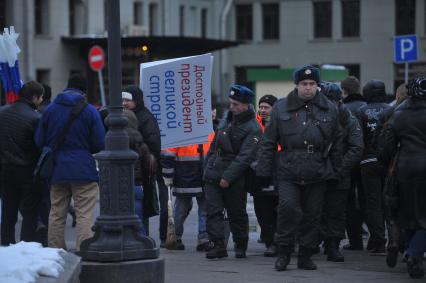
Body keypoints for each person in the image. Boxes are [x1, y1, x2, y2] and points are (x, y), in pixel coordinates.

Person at [257, 65, 342, 271]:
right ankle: (284, 253)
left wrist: (336, 169)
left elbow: (337, 140)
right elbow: (268, 142)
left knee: (313, 215)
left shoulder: (329, 108)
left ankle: (305, 255)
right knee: (287, 210)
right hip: (288, 168)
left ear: (317, 86)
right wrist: (263, 171)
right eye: (304, 84)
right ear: (296, 85)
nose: (308, 88)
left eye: (312, 84)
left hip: (317, 169)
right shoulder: (281, 107)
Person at [35, 74, 105, 251]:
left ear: (67, 87)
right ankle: (84, 250)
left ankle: (56, 251)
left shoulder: (50, 110)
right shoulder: (90, 111)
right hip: (83, 169)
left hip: (57, 169)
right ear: (84, 91)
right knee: (84, 213)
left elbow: (39, 139)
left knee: (57, 213)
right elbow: (99, 143)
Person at [203, 84, 262, 259]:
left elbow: (244, 157)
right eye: (231, 103)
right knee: (213, 211)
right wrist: (207, 168)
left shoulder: (253, 128)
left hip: (235, 178)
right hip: (214, 173)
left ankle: (240, 244)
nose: (232, 107)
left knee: (236, 213)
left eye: (236, 104)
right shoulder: (227, 120)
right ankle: (218, 244)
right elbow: (214, 146)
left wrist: (227, 177)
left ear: (246, 105)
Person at [380, 76, 426, 279]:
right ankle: (415, 254)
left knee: (408, 212)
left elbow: (386, 147)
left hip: (405, 167)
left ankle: (410, 250)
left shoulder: (398, 113)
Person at [320, 83, 364, 262]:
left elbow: (356, 147)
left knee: (336, 212)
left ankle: (333, 245)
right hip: (318, 172)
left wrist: (341, 169)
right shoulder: (316, 115)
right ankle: (316, 240)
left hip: (339, 173)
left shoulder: (348, 119)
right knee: (316, 210)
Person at [0, 81, 44, 245]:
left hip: (4, 169)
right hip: (27, 170)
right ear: (34, 97)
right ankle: (26, 245)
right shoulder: (36, 118)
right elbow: (39, 145)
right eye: (40, 98)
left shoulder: (2, 113)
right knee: (29, 212)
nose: (41, 102)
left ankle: (6, 243)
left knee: (8, 210)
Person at [122, 86, 164, 244]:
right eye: (123, 100)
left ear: (137, 101)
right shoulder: (126, 115)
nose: (124, 103)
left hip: (142, 174)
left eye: (128, 100)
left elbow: (153, 146)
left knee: (140, 210)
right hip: (137, 172)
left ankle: (142, 240)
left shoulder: (145, 118)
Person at [161, 132, 215, 251]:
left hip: (188, 176)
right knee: (188, 209)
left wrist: (168, 174)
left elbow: (168, 153)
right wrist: (168, 174)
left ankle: (178, 237)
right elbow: (168, 153)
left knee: (183, 209)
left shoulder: (181, 131)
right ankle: (200, 239)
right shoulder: (208, 130)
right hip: (190, 175)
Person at [355, 80, 391, 255]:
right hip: (389, 162)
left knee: (372, 202)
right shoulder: (391, 109)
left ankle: (378, 240)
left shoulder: (361, 111)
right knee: (390, 201)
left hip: (368, 162)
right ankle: (395, 239)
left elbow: (358, 139)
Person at [341, 76, 367, 251]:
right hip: (369, 160)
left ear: (344, 91)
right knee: (369, 199)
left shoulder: (343, 109)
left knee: (349, 201)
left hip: (348, 161)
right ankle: (377, 240)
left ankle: (355, 240)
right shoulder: (367, 108)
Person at [122, 109, 157, 236]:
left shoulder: (113, 141)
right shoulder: (141, 144)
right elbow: (149, 167)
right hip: (137, 185)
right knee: (139, 221)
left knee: (120, 219)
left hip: (120, 187)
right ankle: (142, 241)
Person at [254, 94, 279, 257]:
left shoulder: (281, 124)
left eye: (266, 107)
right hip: (258, 174)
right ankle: (270, 240)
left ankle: (276, 242)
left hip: (278, 173)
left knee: (276, 210)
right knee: (261, 211)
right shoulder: (254, 125)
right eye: (261, 107)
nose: (263, 110)